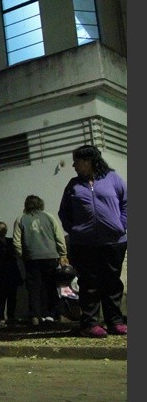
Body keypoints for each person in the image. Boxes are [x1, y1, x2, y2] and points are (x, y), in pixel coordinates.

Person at [58, 144, 127, 338]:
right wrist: (75, 230)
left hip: (114, 241)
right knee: (89, 283)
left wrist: (121, 225)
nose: (74, 165)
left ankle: (115, 322)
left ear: (89, 161)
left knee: (112, 282)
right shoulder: (73, 185)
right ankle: (89, 324)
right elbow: (64, 212)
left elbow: (127, 202)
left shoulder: (112, 178)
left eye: (77, 161)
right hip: (84, 244)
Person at [12, 195, 69, 327]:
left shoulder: (21, 218)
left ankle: (35, 316)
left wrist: (24, 255)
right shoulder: (49, 217)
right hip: (50, 256)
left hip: (32, 259)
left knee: (34, 288)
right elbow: (59, 237)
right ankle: (54, 314)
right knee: (50, 286)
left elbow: (16, 242)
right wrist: (63, 254)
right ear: (40, 204)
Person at [0, 221, 23, 326]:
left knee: (12, 295)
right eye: (1, 228)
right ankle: (0, 318)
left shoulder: (9, 241)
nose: (4, 230)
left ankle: (11, 316)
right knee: (2, 294)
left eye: (5, 228)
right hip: (0, 272)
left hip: (11, 271)